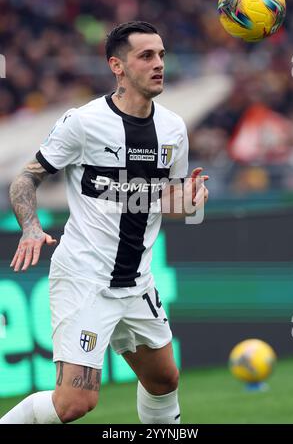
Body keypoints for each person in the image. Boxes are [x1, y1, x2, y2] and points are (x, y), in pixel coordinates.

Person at [0, 21, 208, 424]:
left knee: (164, 380)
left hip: (138, 281)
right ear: (117, 65)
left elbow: (165, 198)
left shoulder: (173, 129)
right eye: (146, 56)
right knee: (75, 404)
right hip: (86, 279)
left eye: (161, 55)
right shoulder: (83, 122)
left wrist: (189, 200)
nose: (158, 64)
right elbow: (26, 177)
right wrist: (29, 225)